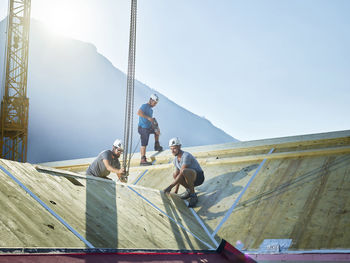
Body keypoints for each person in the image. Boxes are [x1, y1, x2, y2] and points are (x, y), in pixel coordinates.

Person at [163, 137, 205, 207]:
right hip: (189, 178)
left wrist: (170, 187)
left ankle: (193, 195)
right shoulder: (175, 160)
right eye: (171, 149)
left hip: (198, 178)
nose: (172, 151)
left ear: (179, 147)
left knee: (184, 171)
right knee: (175, 174)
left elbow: (182, 172)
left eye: (174, 148)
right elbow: (178, 175)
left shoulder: (186, 156)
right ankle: (189, 190)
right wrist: (175, 191)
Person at [137, 93, 163, 166]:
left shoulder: (151, 110)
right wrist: (148, 118)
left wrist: (156, 127)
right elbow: (139, 113)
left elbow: (151, 120)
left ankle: (156, 145)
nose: (155, 105)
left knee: (156, 132)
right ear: (151, 100)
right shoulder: (144, 106)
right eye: (154, 103)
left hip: (148, 127)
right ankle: (142, 159)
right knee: (144, 143)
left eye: (156, 103)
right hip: (142, 128)